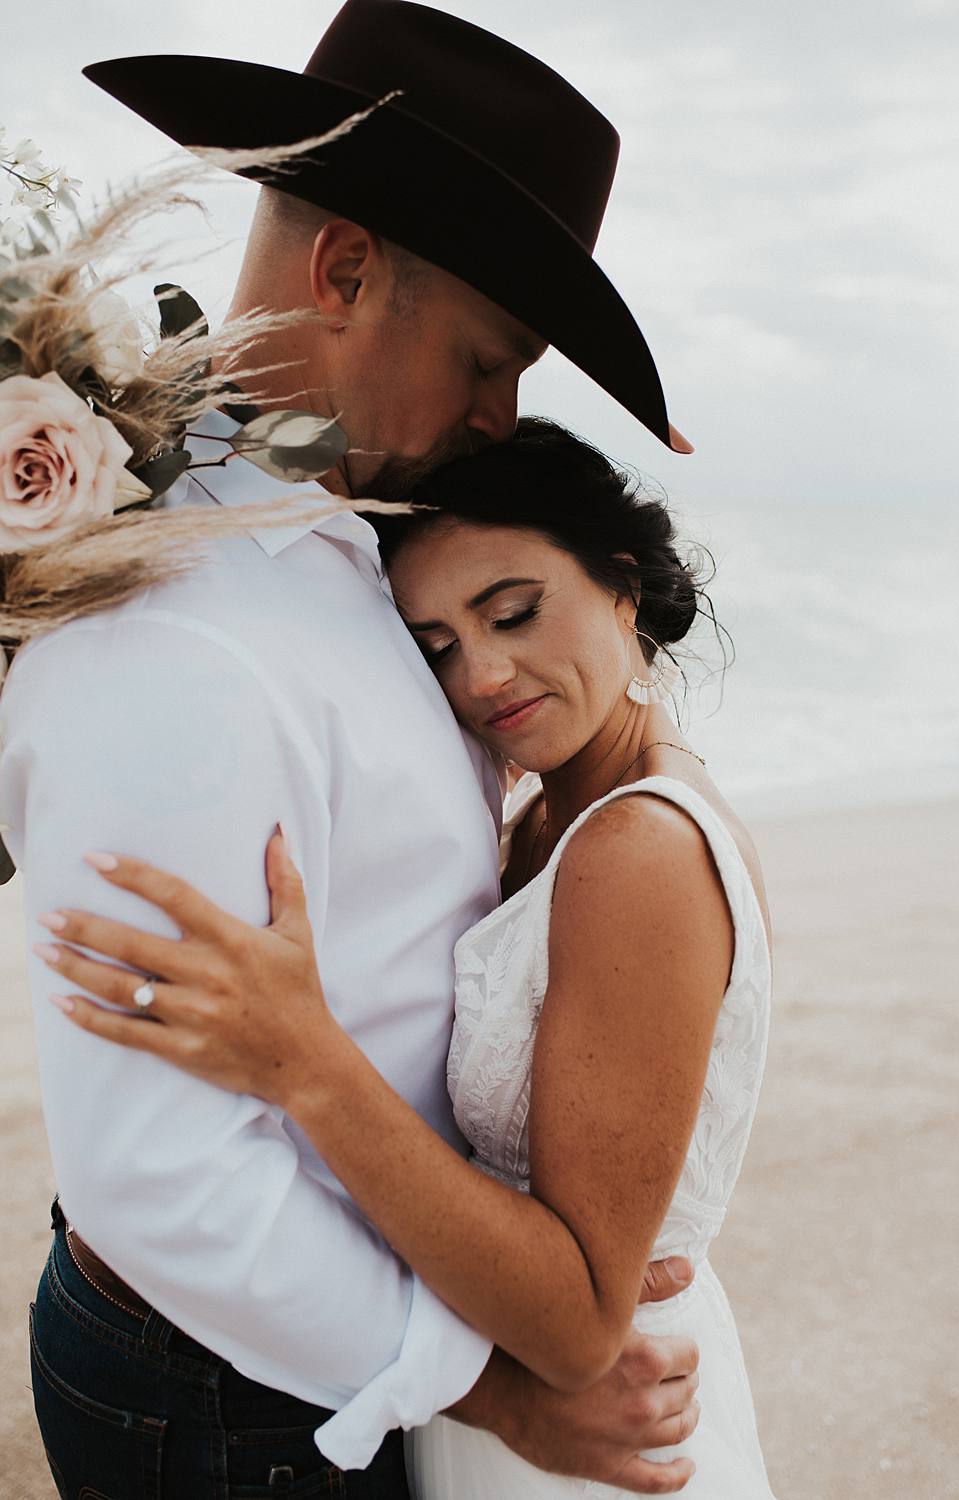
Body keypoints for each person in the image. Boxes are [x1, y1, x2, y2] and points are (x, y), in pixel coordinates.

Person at [0, 4, 703, 1498]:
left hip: (339, 1346)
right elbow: (160, 1179)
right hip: (241, 1395)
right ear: (348, 271)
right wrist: (493, 1392)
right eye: (489, 360)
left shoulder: (341, 544)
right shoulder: (172, 627)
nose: (504, 416)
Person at [36, 419, 776, 1498]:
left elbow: (575, 1325)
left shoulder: (636, 851)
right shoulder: (547, 816)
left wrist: (306, 1060)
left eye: (513, 612)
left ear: (622, 584)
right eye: (434, 648)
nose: (482, 674)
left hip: (588, 1413)